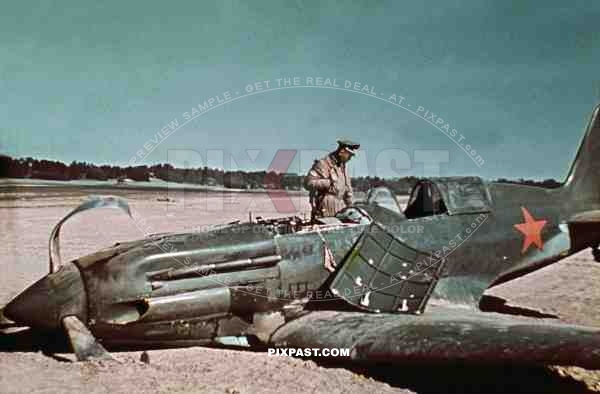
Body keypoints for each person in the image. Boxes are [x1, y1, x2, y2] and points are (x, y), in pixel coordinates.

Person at [304, 140, 360, 220]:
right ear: (341, 152)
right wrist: (328, 182)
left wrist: (351, 207)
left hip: (340, 209)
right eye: (349, 155)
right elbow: (308, 183)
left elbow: (347, 190)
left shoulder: (342, 167)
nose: (350, 158)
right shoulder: (323, 164)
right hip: (325, 209)